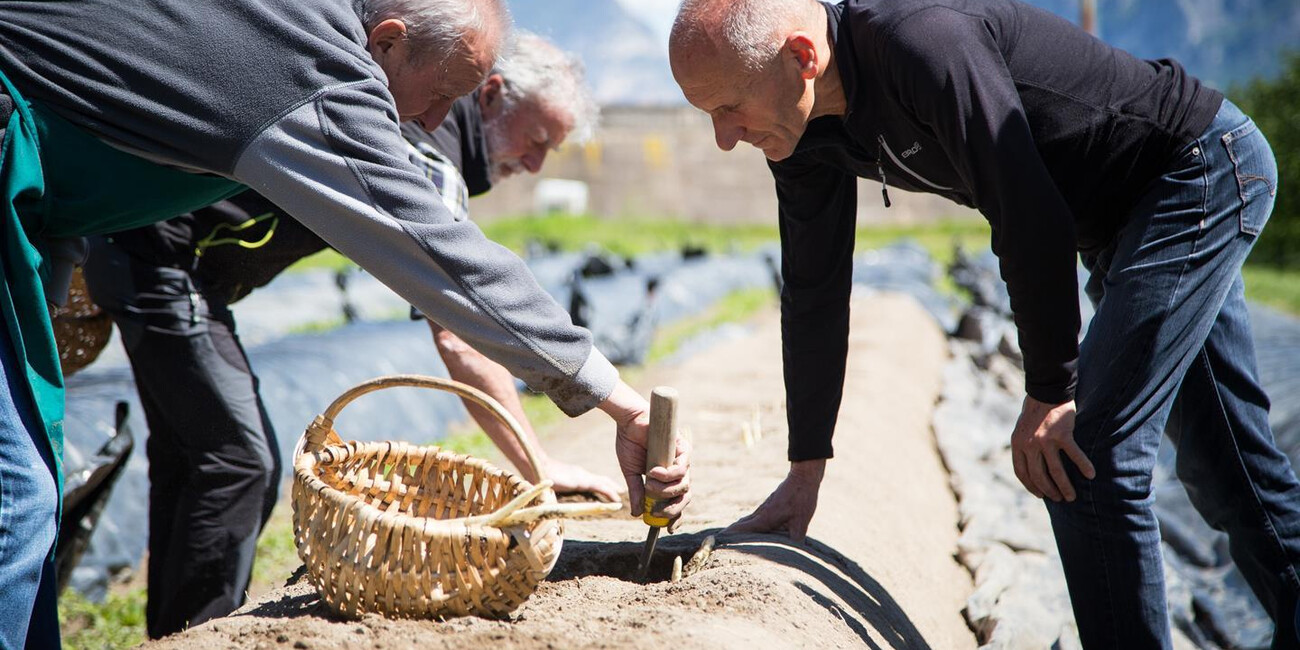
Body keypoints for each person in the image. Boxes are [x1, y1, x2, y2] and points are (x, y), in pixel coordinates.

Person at [0, 1, 691, 646]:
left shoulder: (300, 24)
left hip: (55, 218)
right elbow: (453, 272)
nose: (430, 120)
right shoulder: (325, 76)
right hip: (140, 249)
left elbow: (77, 105)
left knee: (146, 462)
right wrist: (614, 404)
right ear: (387, 42)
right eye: (441, 95)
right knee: (50, 494)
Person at [668, 0, 1299, 646]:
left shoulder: (919, 43)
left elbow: (1025, 209)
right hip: (1128, 225)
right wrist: (806, 469)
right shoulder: (801, 135)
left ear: (802, 58)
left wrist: (1052, 388)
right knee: (1229, 470)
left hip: (1194, 171)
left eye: (728, 108)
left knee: (1084, 462)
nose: (723, 139)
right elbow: (813, 292)